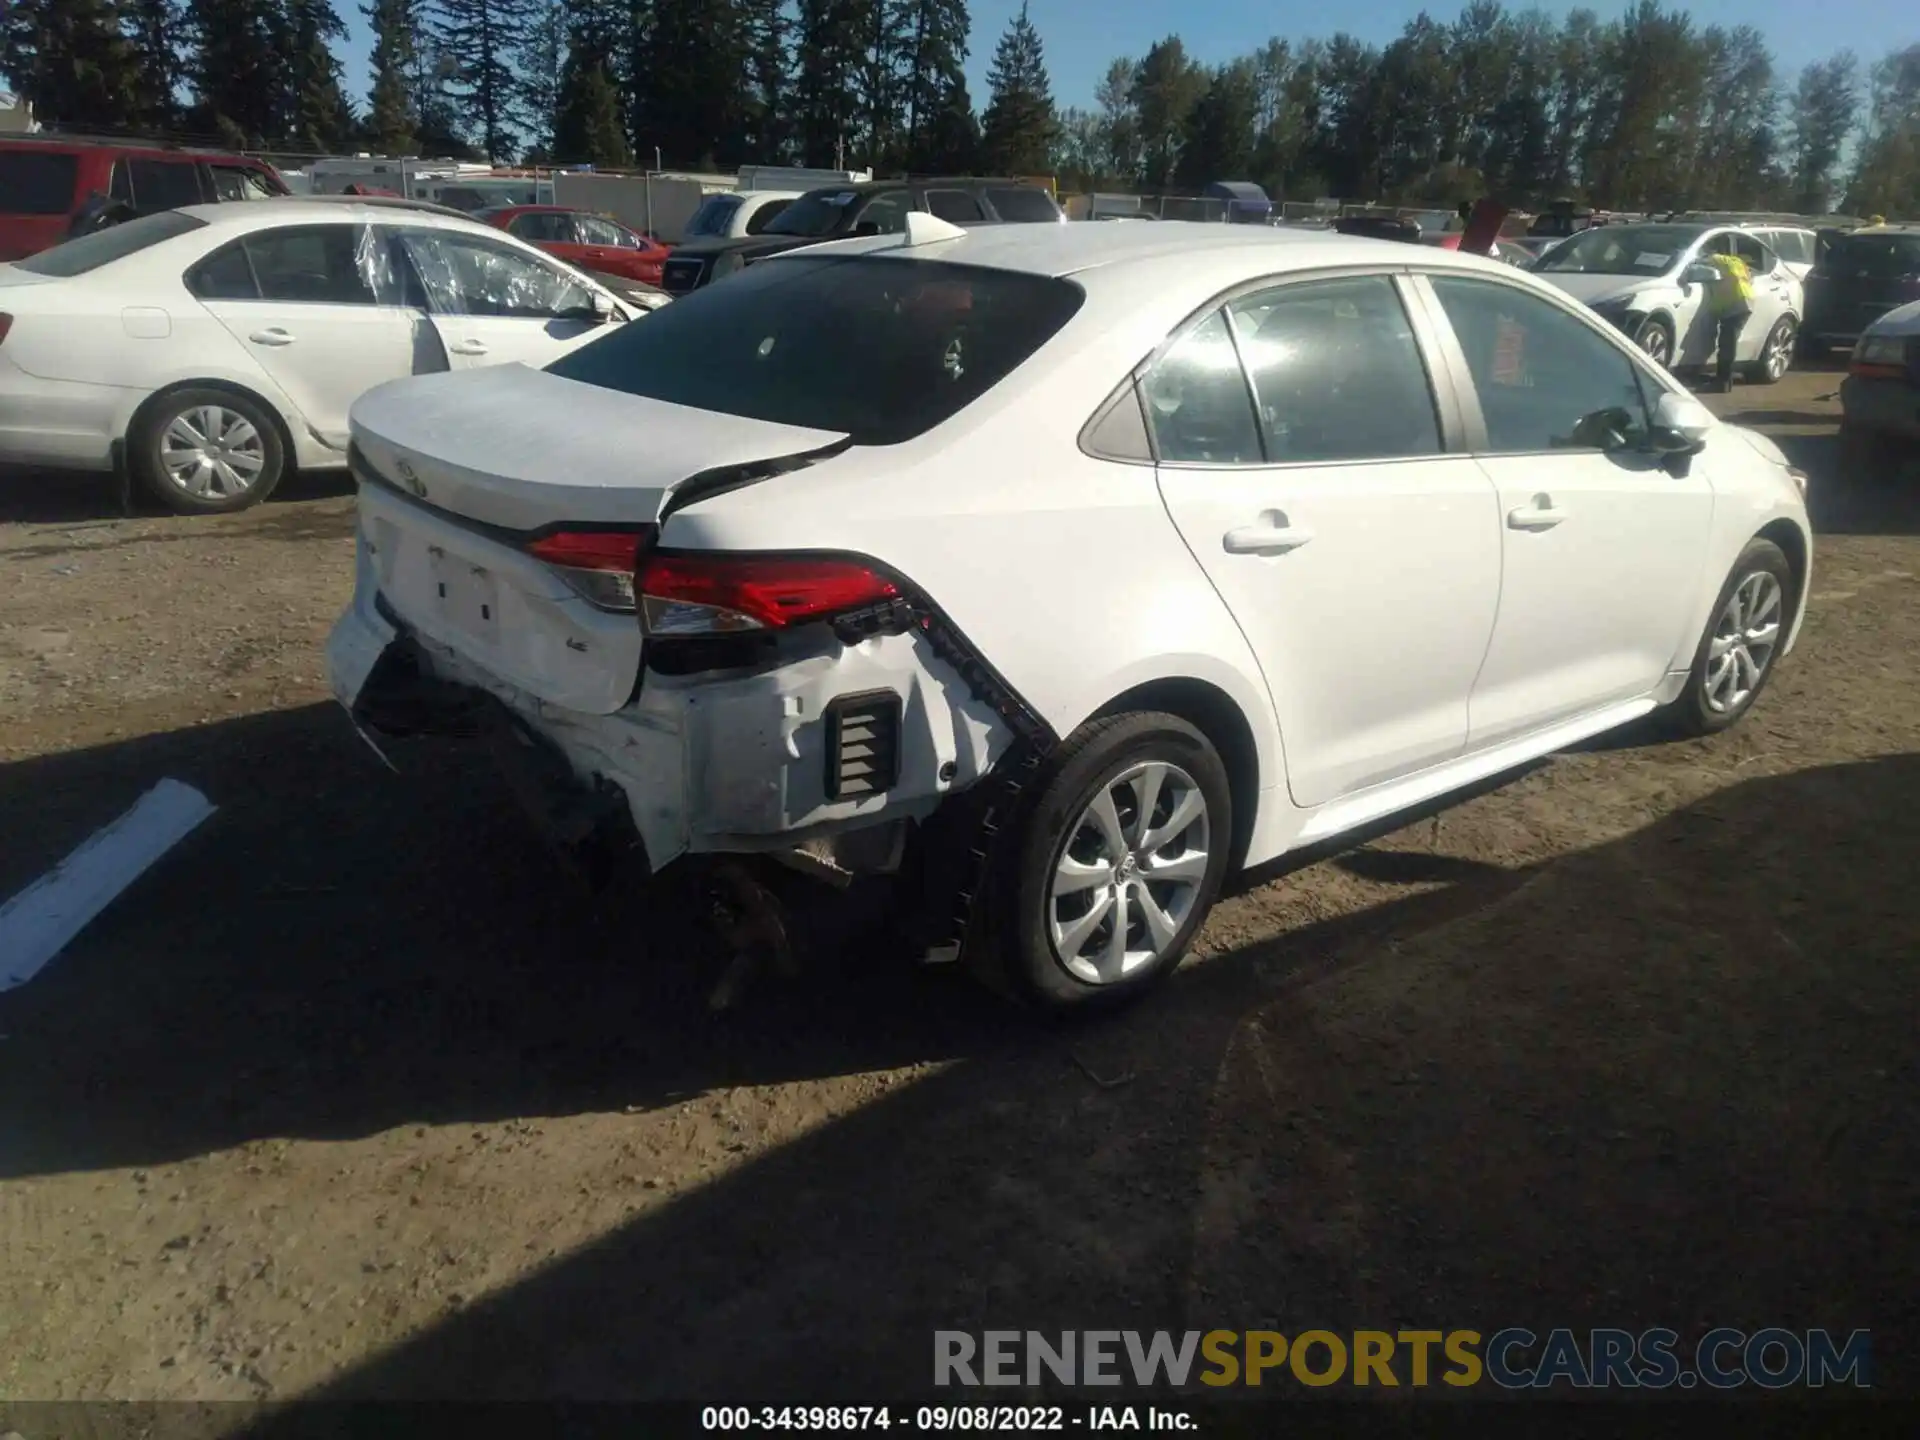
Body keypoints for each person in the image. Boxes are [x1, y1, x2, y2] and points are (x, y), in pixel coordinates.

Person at [1703, 245, 1755, 393]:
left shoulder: (1717, 259)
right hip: (1746, 299)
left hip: (1734, 302)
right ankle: (1725, 380)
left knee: (1727, 344)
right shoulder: (1737, 262)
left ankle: (1723, 382)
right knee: (1728, 342)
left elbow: (1701, 263)